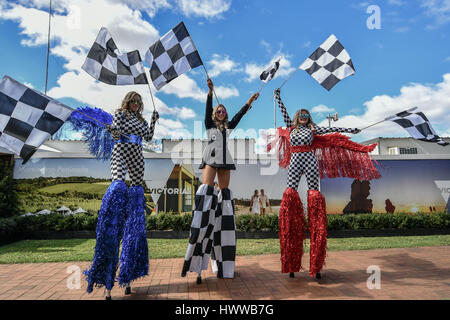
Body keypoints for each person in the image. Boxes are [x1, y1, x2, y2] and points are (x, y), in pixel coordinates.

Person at [274, 88, 361, 280]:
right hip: (296, 159)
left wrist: (351, 130)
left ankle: (316, 261)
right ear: (297, 117)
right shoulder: (291, 127)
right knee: (290, 193)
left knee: (314, 195)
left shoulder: (313, 129)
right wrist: (278, 97)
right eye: (301, 114)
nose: (304, 116)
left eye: (306, 114)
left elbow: (333, 130)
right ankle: (291, 258)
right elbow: (283, 112)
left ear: (309, 117)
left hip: (310, 160)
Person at [181, 78, 259, 283]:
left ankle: (222, 255)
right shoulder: (209, 126)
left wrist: (249, 102)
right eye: (219, 110)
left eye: (223, 110)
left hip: (225, 161)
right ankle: (199, 244)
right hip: (210, 159)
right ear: (215, 113)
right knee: (206, 193)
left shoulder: (228, 128)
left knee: (224, 199)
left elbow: (239, 116)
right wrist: (210, 91)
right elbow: (206, 111)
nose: (221, 112)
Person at [84, 92, 159, 300]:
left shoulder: (141, 119)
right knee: (117, 188)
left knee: (136, 202)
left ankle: (129, 273)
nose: (135, 104)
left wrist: (153, 121)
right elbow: (116, 135)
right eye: (132, 101)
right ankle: (106, 273)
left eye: (138, 102)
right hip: (120, 152)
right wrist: (113, 131)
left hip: (137, 155)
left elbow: (149, 137)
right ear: (127, 102)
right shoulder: (120, 115)